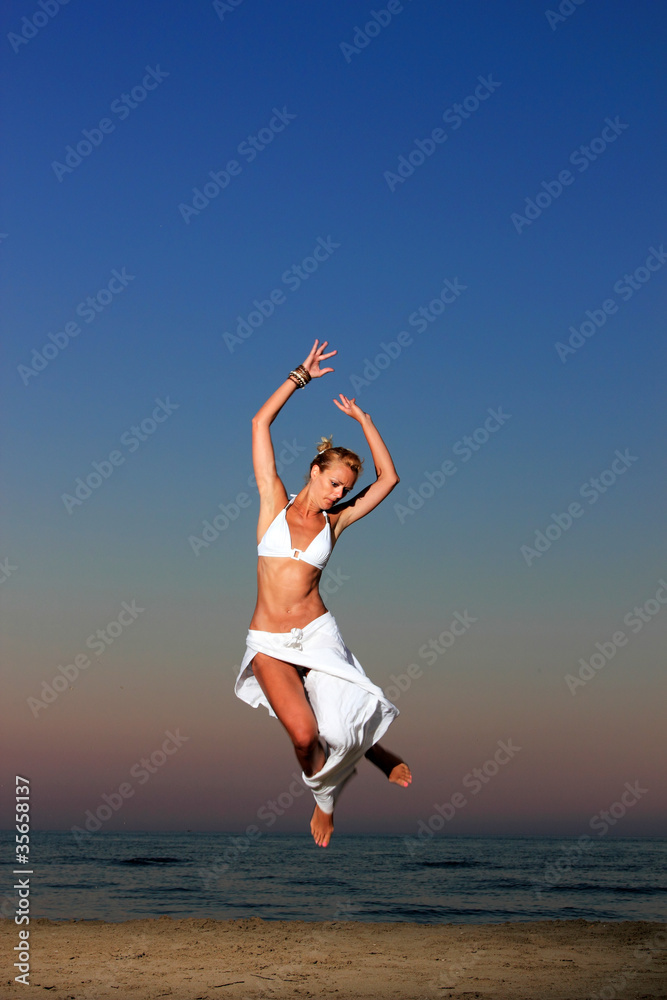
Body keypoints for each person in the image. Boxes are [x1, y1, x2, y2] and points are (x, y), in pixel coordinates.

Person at [235, 339, 411, 847]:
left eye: (344, 487)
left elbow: (390, 478)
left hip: (317, 633)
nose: (338, 493)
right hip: (269, 640)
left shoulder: (338, 522)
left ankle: (371, 754)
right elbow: (258, 424)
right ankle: (326, 798)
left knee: (341, 721)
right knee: (306, 736)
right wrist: (300, 377)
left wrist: (366, 421)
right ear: (314, 471)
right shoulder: (272, 501)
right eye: (333, 482)